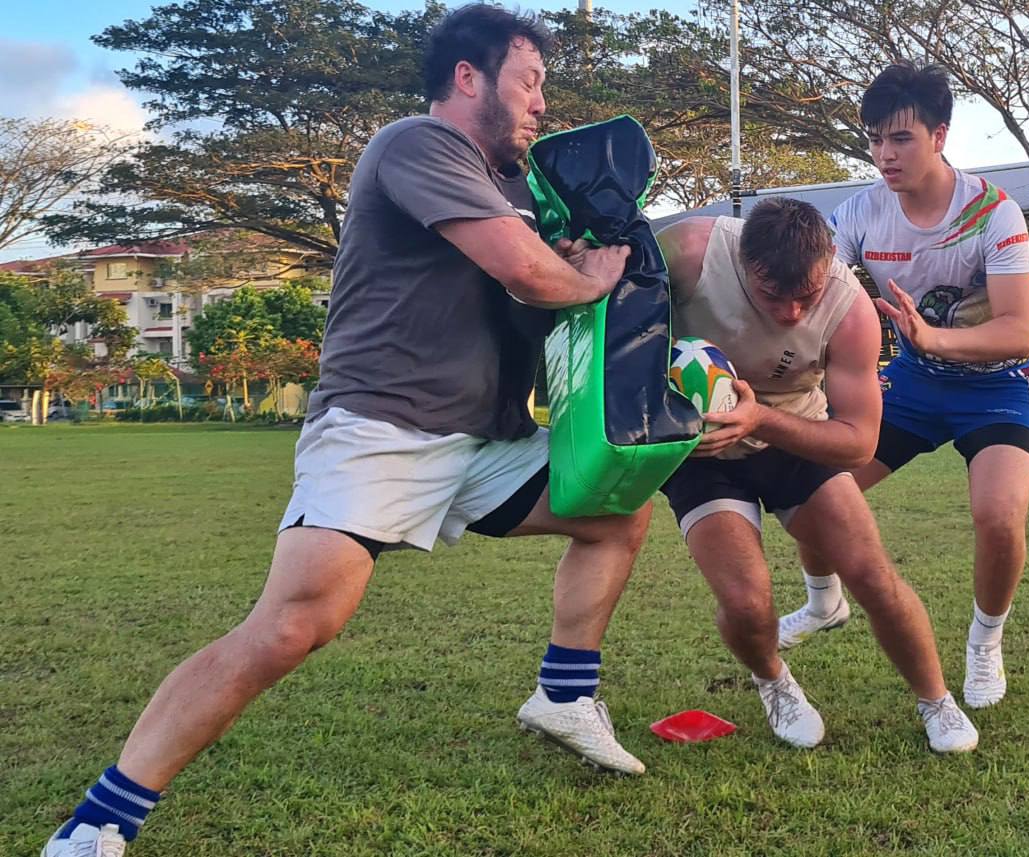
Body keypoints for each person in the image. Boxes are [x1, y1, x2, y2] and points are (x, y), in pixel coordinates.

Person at [44, 7, 650, 855]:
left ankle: (564, 694)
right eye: (529, 82)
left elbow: (539, 290)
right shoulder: (418, 144)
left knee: (615, 505)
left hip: (482, 439)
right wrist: (587, 278)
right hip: (384, 428)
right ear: (468, 78)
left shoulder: (515, 189)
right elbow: (526, 272)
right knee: (293, 625)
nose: (541, 105)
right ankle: (98, 823)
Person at [655, 198, 979, 753]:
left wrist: (760, 419)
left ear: (829, 261)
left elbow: (859, 443)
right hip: (703, 452)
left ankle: (936, 700)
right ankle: (774, 682)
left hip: (794, 435)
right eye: (771, 295)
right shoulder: (687, 253)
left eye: (805, 295)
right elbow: (608, 315)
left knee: (872, 575)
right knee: (746, 602)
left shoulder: (851, 311)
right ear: (743, 261)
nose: (791, 313)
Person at [777, 61, 1029, 714]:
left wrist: (933, 338)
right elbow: (816, 290)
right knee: (811, 485)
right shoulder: (859, 214)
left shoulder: (992, 212)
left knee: (998, 515)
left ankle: (985, 640)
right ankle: (824, 602)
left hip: (999, 386)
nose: (884, 155)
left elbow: (1019, 332)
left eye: (900, 138)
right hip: (914, 384)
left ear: (939, 136)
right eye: (875, 139)